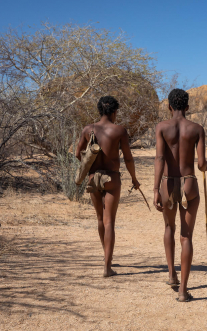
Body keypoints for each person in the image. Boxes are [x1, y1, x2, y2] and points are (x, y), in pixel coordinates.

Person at [153, 88, 207, 302]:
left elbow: (159, 158)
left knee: (169, 227)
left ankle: (172, 276)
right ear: (187, 107)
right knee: (186, 237)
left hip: (167, 184)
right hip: (189, 184)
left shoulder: (162, 127)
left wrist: (155, 189)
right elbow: (201, 164)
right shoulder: (197, 129)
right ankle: (183, 291)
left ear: (169, 106)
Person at [75, 96, 140, 277]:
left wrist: (90, 165)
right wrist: (134, 178)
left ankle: (106, 257)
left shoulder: (88, 129)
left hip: (93, 178)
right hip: (112, 179)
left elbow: (77, 153)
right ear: (114, 112)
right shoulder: (119, 130)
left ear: (99, 111)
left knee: (99, 219)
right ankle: (107, 267)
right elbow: (128, 158)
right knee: (109, 221)